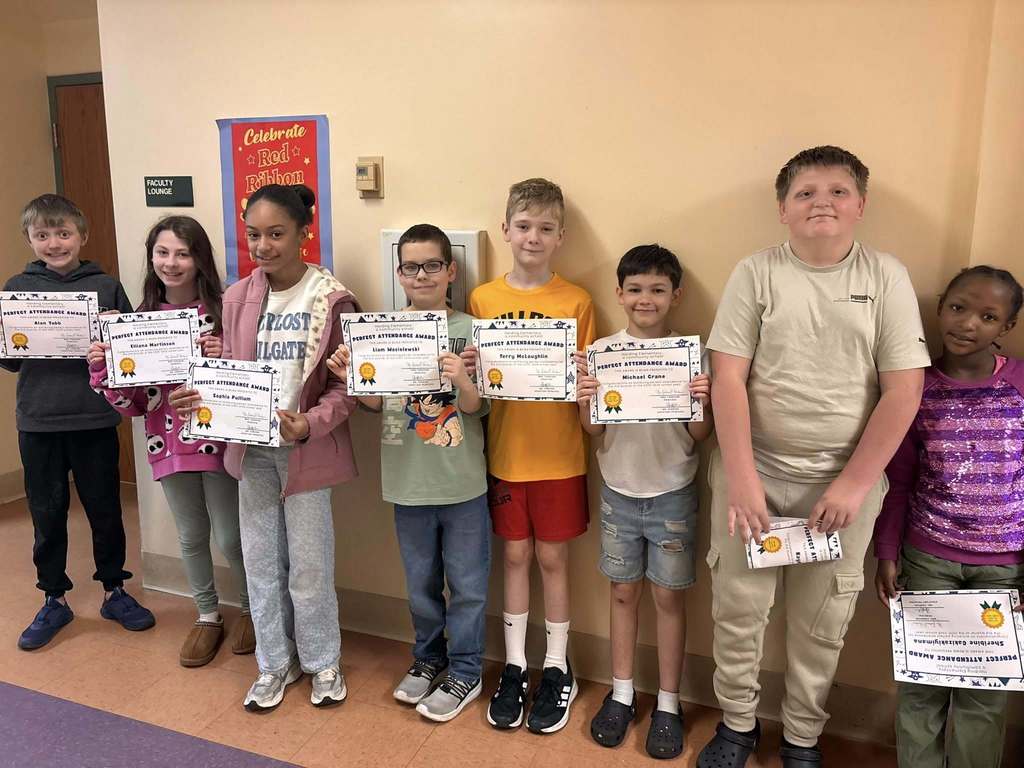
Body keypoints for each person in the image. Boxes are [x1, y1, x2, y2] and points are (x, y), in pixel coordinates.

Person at [697, 146, 931, 768]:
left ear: (861, 205)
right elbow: (727, 379)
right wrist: (742, 479)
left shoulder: (885, 277)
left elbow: (904, 390)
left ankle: (802, 736)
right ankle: (737, 725)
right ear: (783, 209)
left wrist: (854, 485)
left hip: (843, 487)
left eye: (837, 191)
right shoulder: (757, 273)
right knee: (739, 612)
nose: (821, 202)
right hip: (754, 474)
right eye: (804, 193)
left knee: (822, 623)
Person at [171, 184, 358, 711]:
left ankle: (322, 661)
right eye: (253, 235)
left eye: (276, 234)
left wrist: (309, 424)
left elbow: (347, 387)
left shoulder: (332, 299)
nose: (263, 246)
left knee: (310, 567)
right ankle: (275, 663)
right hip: (251, 452)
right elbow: (226, 376)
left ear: (303, 234)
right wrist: (197, 399)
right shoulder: (236, 298)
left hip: (305, 451)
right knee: (260, 563)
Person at [327, 224, 490, 723]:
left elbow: (477, 408)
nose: (422, 275)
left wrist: (463, 379)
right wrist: (351, 378)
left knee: (467, 585)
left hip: (462, 483)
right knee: (420, 584)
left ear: (451, 270)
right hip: (407, 482)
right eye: (411, 267)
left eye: (432, 265)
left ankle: (466, 669)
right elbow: (377, 404)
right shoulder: (382, 331)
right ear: (399, 273)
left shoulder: (471, 330)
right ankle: (428, 658)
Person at [874, 265, 1024, 768]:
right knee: (921, 691)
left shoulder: (1021, 384)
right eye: (958, 308)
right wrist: (887, 552)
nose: (968, 323)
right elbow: (898, 480)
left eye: (988, 316)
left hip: (1003, 570)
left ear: (1006, 327)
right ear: (940, 307)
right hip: (928, 561)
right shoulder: (913, 388)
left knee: (984, 699)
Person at [88, 216, 253, 667]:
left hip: (220, 442)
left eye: (183, 253)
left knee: (232, 537)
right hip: (167, 444)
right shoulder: (137, 322)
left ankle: (252, 609)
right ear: (151, 258)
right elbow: (133, 405)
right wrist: (104, 367)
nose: (171, 262)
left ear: (200, 259)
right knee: (191, 535)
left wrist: (227, 355)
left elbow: (251, 384)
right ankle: (207, 615)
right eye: (162, 252)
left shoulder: (226, 312)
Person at [467, 178, 596, 734]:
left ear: (561, 236)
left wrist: (584, 380)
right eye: (523, 226)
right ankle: (516, 666)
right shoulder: (483, 300)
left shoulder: (577, 301)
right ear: (505, 230)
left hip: (560, 457)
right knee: (515, 557)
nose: (533, 237)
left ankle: (557, 664)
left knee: (553, 560)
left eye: (545, 228)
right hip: (506, 454)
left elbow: (587, 382)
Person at [576, 244, 713, 759]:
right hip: (618, 490)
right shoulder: (602, 352)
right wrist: (586, 398)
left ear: (676, 295)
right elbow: (593, 430)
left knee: (669, 599)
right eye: (635, 289)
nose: (645, 299)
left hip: (673, 492)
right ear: (619, 293)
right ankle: (621, 693)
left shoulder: (691, 355)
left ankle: (669, 703)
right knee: (621, 593)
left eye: (657, 289)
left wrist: (701, 399)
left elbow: (700, 435)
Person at [3, 194, 154, 651]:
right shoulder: (17, 287)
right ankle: (54, 598)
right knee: (46, 513)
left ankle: (114, 590)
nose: (54, 243)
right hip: (38, 421)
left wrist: (117, 331)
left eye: (63, 233)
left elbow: (133, 357)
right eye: (43, 235)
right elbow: (10, 361)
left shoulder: (106, 286)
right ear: (29, 239)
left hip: (95, 418)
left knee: (105, 509)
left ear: (82, 237)